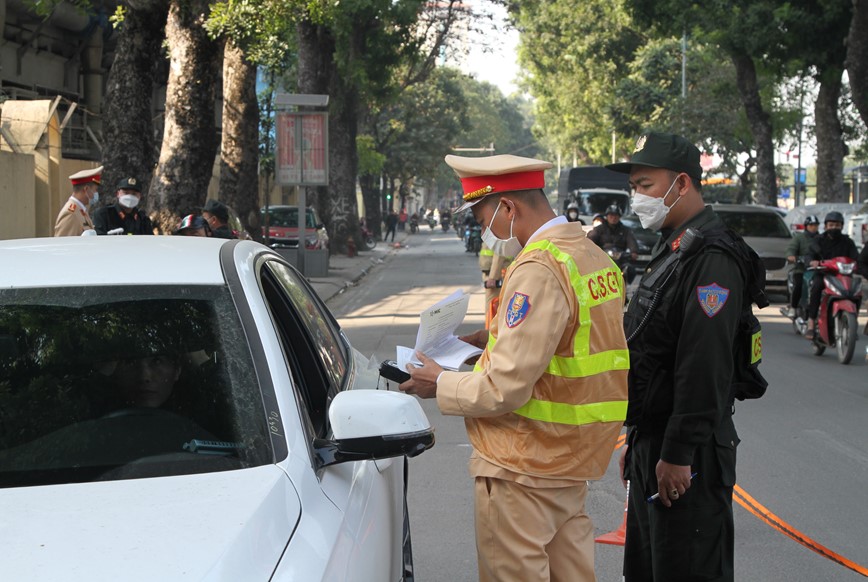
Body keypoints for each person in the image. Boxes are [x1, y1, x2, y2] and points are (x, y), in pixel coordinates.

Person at [400, 153, 628, 581]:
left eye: (483, 217)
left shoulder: (539, 267)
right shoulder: (592, 258)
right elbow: (571, 341)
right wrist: (485, 340)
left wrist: (440, 381)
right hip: (570, 462)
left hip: (523, 467)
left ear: (508, 208)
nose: (484, 231)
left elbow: (503, 389)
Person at [605, 132, 753, 582]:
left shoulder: (711, 257)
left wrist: (677, 452)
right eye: (635, 187)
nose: (637, 198)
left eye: (646, 185)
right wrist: (641, 439)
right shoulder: (673, 247)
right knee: (650, 570)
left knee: (686, 568)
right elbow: (655, 353)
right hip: (657, 440)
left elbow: (702, 364)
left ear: (682, 183)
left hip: (690, 452)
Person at [804, 211, 859, 339]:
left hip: (842, 276)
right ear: (826, 226)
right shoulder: (818, 240)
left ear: (841, 226)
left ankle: (853, 323)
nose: (834, 227)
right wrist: (812, 261)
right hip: (824, 274)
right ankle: (811, 323)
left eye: (837, 225)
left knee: (856, 292)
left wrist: (858, 265)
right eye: (831, 225)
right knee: (816, 287)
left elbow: (856, 257)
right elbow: (809, 254)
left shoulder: (848, 241)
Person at [784, 214, 820, 316]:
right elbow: (790, 249)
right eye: (811, 225)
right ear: (806, 226)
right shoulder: (799, 238)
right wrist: (791, 256)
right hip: (801, 269)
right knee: (799, 285)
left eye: (815, 225)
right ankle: (793, 307)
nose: (813, 228)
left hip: (817, 269)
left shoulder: (821, 238)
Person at [54, 166, 102, 236]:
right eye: (95, 190)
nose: (96, 193)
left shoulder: (80, 210)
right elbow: (64, 244)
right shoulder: (70, 214)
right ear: (86, 189)